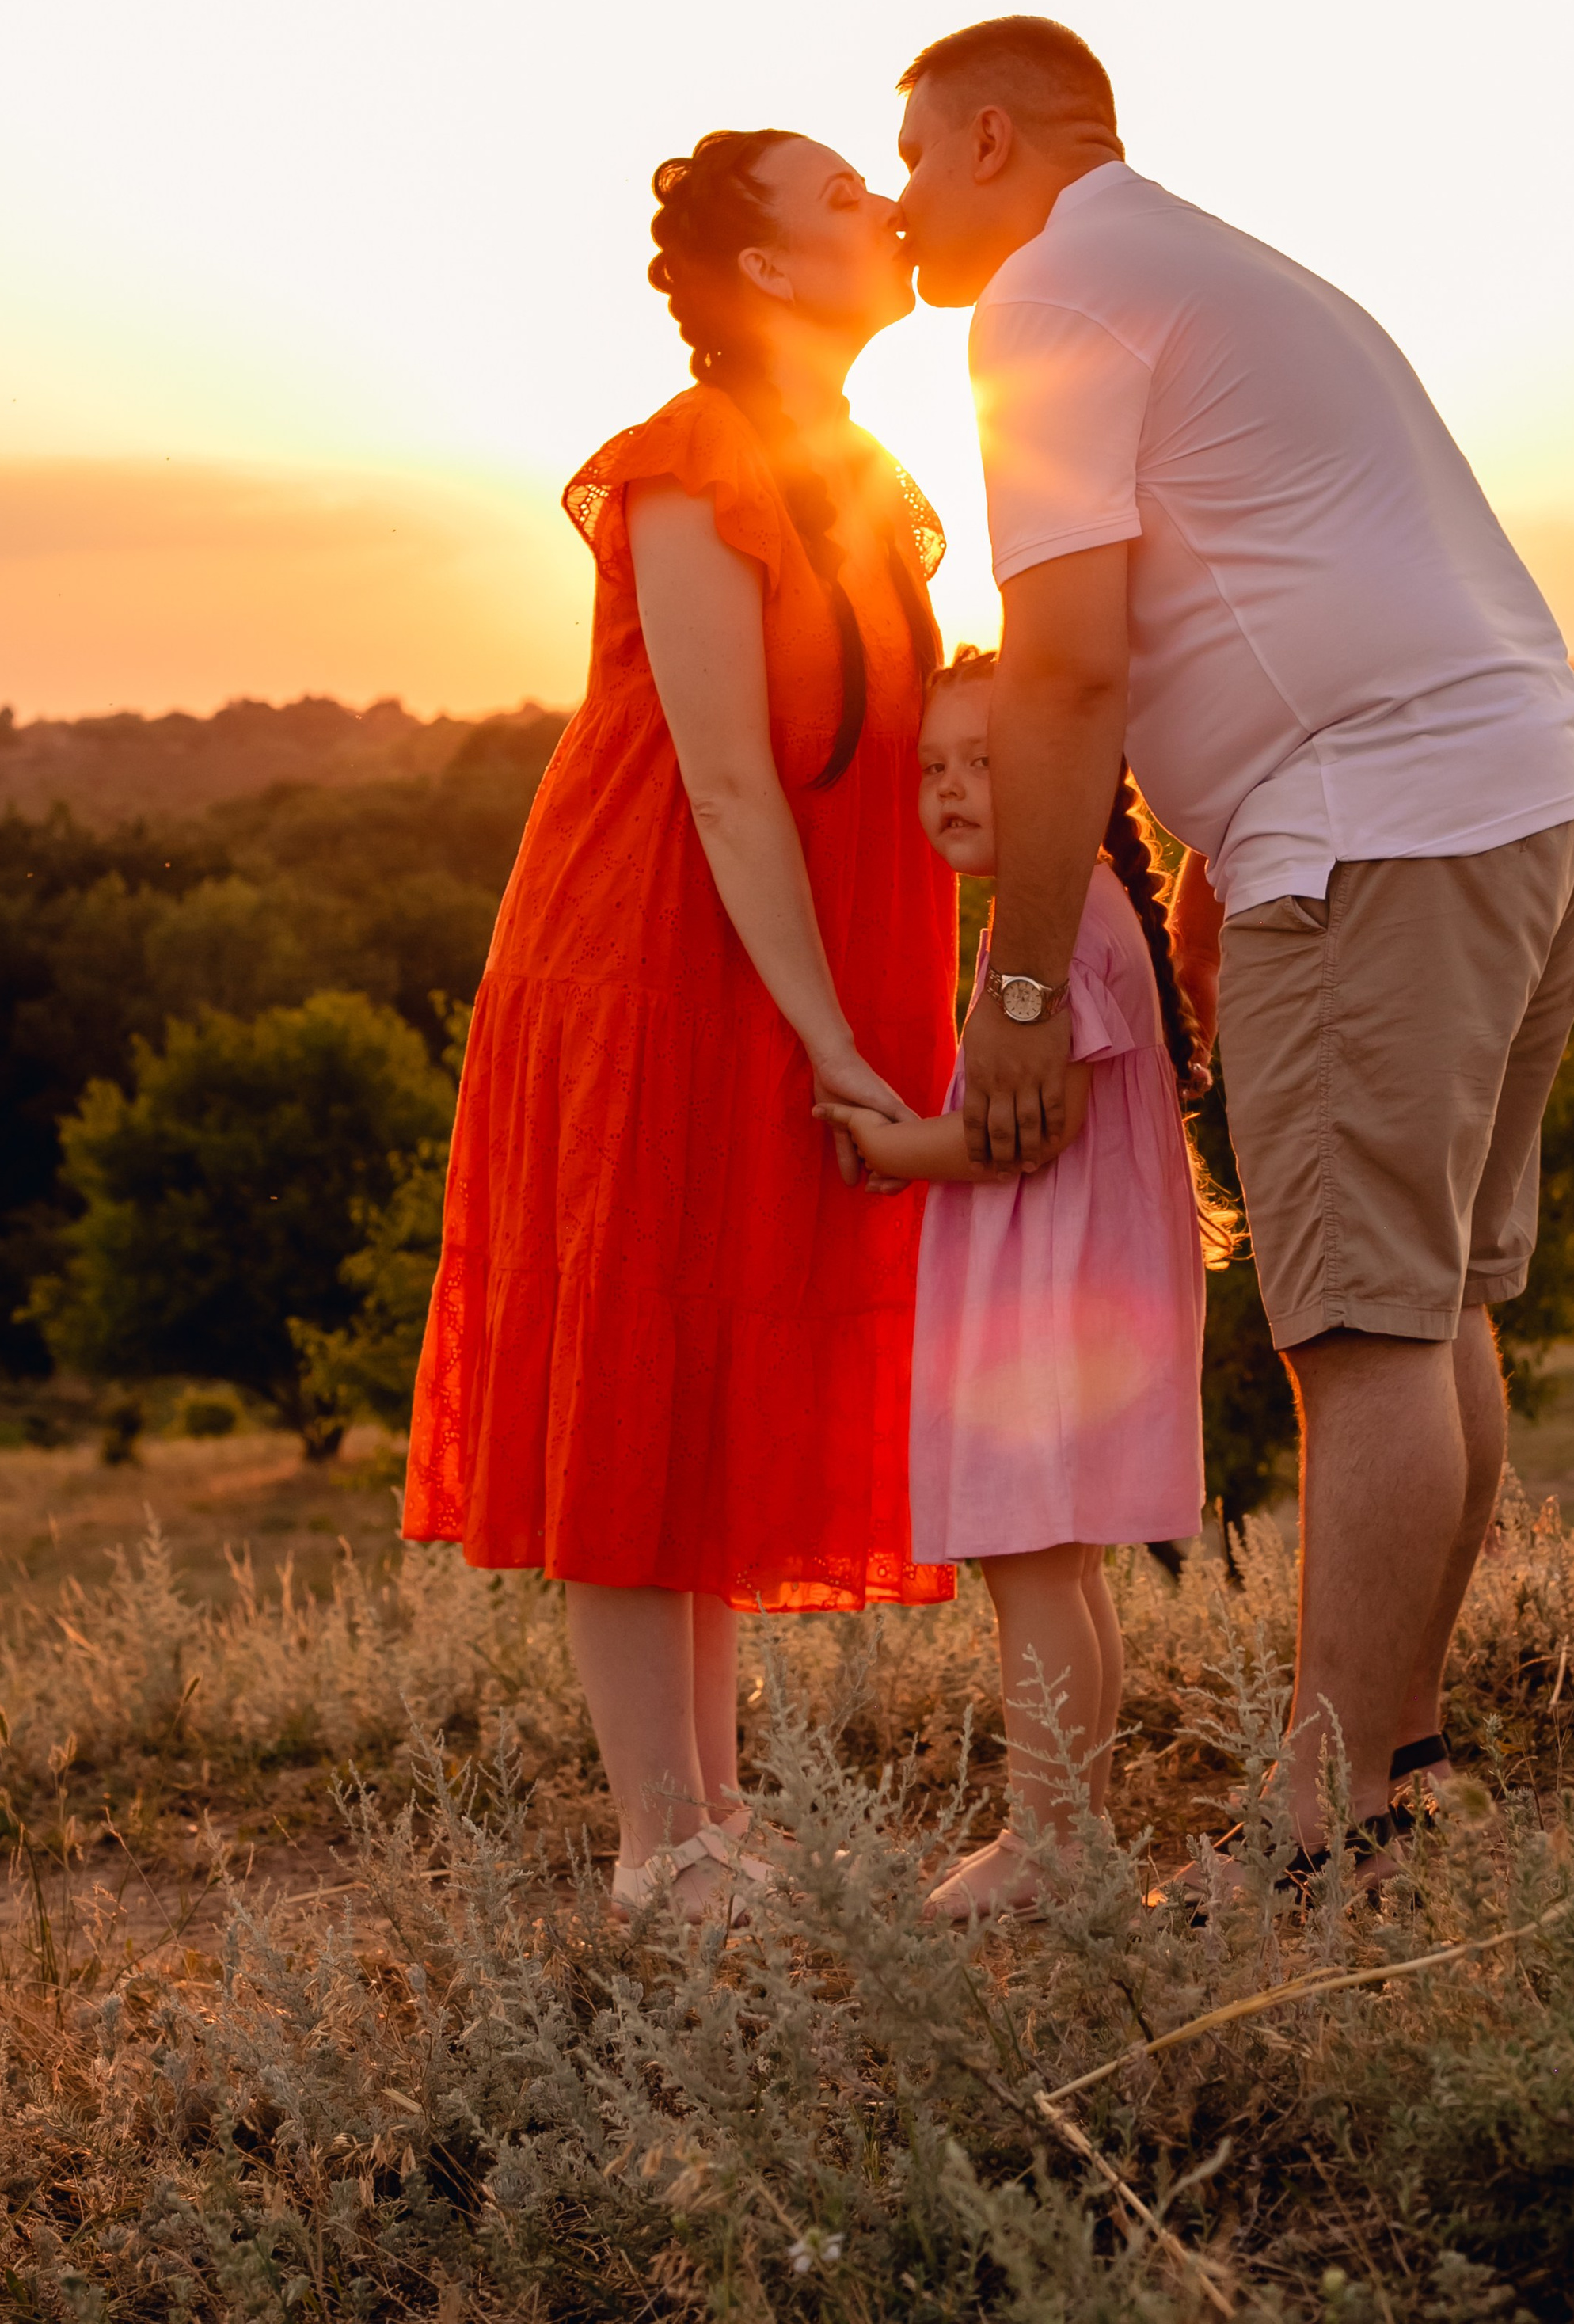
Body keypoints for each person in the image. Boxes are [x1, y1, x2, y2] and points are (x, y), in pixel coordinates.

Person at [892, 16, 1574, 1877]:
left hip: (1380, 827)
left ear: (990, 140)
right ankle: (1397, 1764)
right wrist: (1213, 861)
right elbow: (1275, 576)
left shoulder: (1047, 296)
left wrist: (1024, 982)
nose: (898, 204)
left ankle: (1321, 1822)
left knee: (1362, 1327)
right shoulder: (1210, 264)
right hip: (1524, 787)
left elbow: (1061, 666)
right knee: (1434, 1298)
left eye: (906, 159)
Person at [403, 129, 958, 1923]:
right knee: (641, 1367)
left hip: (781, 964)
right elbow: (724, 782)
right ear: (775, 271)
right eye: (840, 198)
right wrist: (834, 1042)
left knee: (713, 1370)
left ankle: (714, 1826)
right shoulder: (685, 460)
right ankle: (664, 1845)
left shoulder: (856, 468)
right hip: (653, 958)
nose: (884, 205)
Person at [819, 645, 1215, 1920]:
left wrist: (888, 1150)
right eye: (935, 765)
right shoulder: (1090, 909)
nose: (949, 788)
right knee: (1064, 1570)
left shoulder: (1049, 931)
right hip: (1086, 1294)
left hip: (1053, 1305)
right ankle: (1076, 1839)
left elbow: (1020, 1134)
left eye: (985, 762)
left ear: (1076, 770)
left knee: (1034, 1570)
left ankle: (1047, 1842)